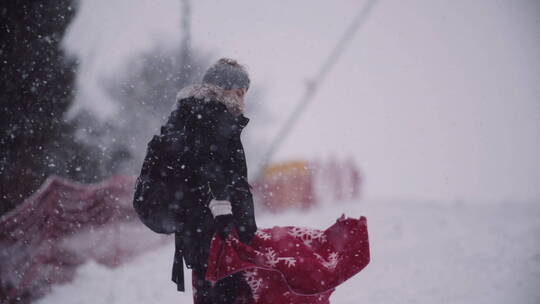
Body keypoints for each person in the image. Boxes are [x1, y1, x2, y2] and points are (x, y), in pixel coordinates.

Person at [158, 58, 257, 303]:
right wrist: (222, 208)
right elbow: (208, 164)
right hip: (215, 227)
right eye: (240, 90)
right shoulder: (211, 114)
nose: (243, 97)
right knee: (224, 293)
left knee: (211, 292)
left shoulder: (196, 113)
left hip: (202, 227)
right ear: (225, 88)